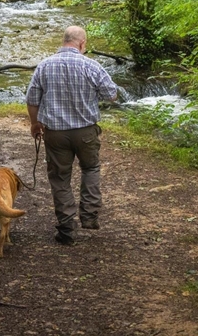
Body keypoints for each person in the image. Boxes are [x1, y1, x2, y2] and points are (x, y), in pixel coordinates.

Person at [25, 25, 118, 245]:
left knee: (59, 178)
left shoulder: (44, 66)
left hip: (55, 133)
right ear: (82, 43)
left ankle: (66, 228)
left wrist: (35, 124)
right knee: (91, 168)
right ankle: (89, 216)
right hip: (86, 131)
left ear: (64, 40)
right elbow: (112, 95)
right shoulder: (92, 66)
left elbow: (32, 99)